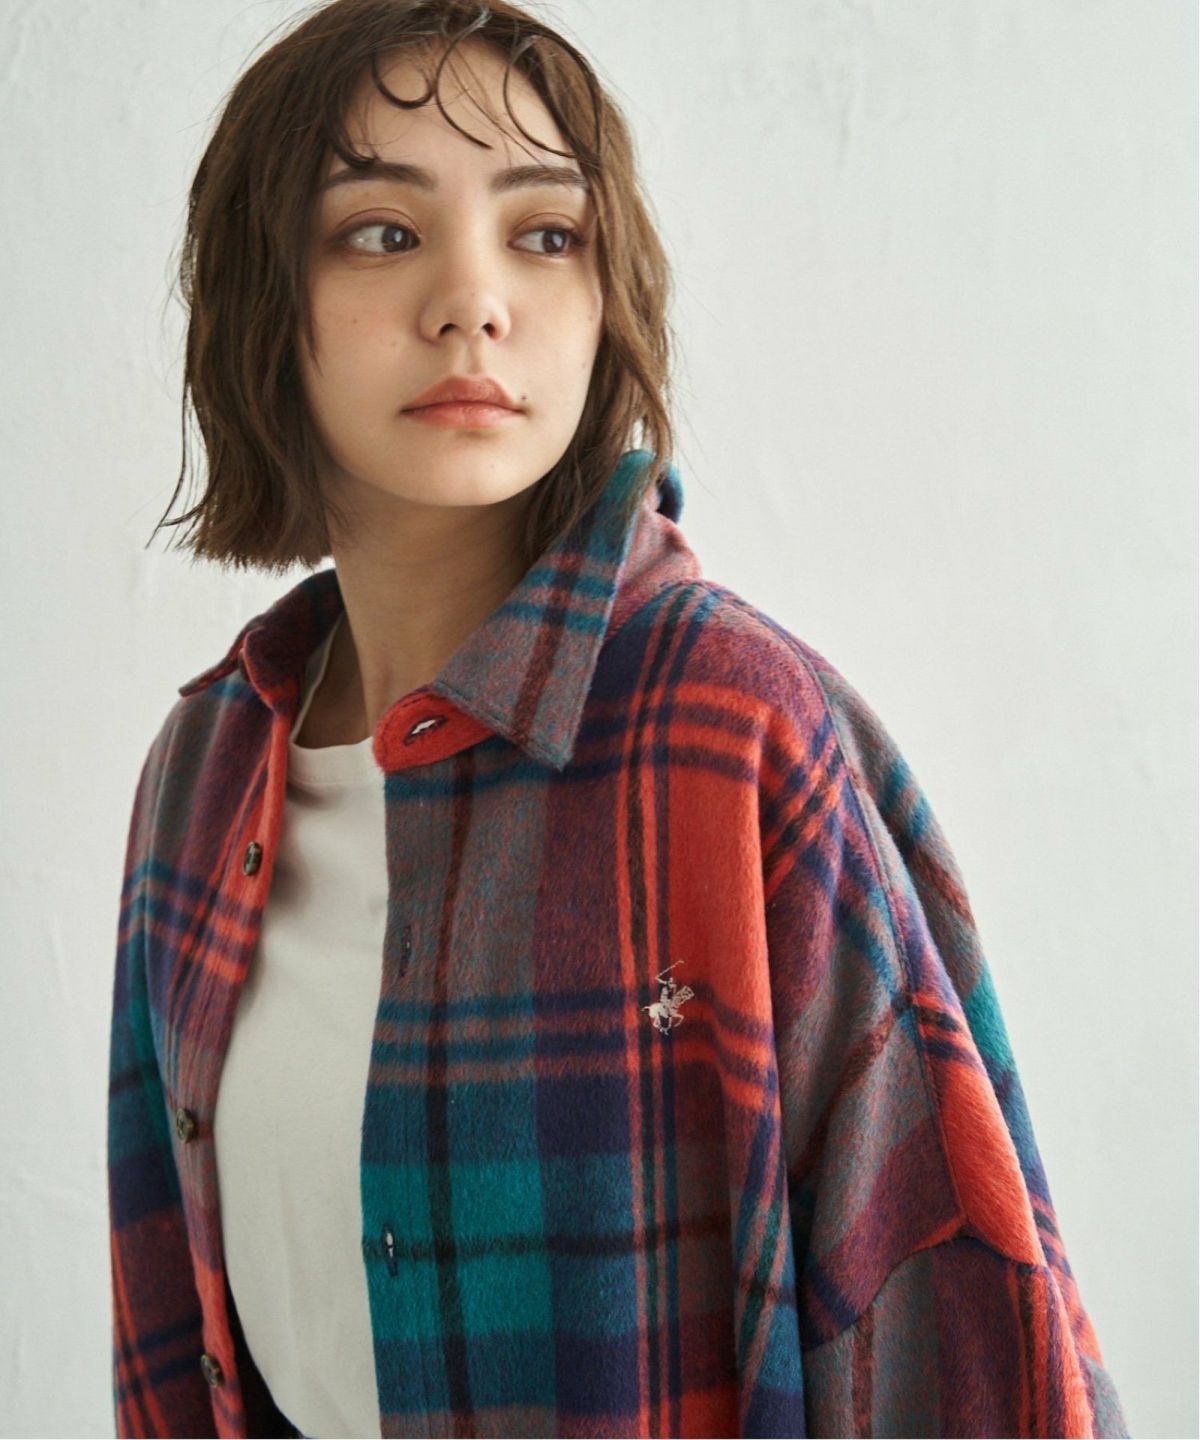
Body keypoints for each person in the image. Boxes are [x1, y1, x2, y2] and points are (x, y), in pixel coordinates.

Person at [106, 1, 1129, 1436]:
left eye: (545, 233)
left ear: (609, 299)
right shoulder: (206, 773)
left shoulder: (733, 730)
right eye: (382, 232)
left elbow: (958, 1340)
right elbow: (170, 1339)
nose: (473, 300)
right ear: (263, 300)